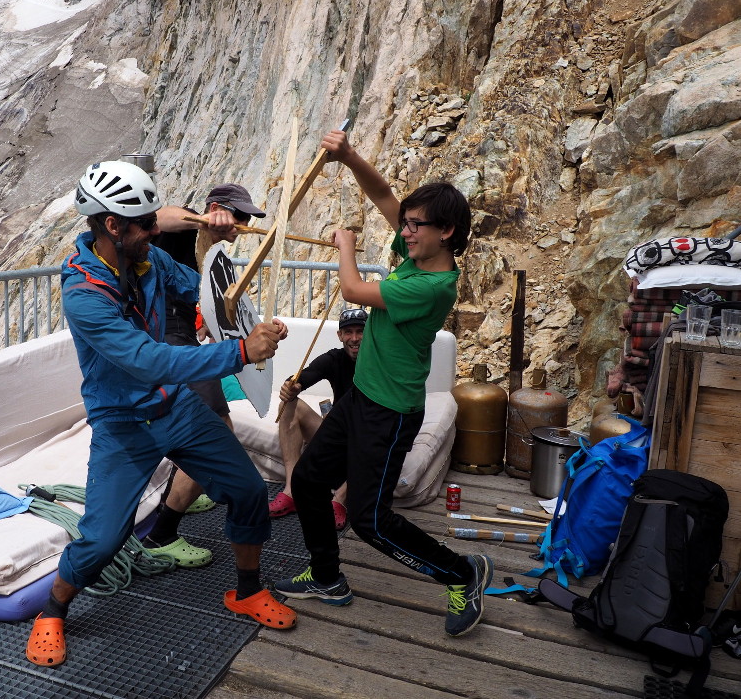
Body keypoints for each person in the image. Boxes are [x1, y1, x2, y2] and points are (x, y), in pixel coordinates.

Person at [26, 161, 297, 667]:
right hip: (123, 425)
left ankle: (245, 589)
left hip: (176, 409)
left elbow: (202, 289)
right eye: (144, 223)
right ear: (113, 226)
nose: (153, 230)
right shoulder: (84, 295)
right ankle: (53, 609)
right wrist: (242, 354)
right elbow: (150, 361)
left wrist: (209, 237)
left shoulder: (148, 260)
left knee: (246, 492)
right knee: (103, 540)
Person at [273, 130, 492, 638]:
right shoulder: (418, 255)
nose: (407, 230)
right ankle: (327, 574)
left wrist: (346, 246)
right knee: (307, 480)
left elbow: (352, 288)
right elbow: (382, 196)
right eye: (408, 224)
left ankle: (462, 572)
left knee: (369, 520)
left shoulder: (430, 284)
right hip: (360, 399)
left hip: (390, 413)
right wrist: (349, 156)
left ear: (448, 232)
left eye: (417, 226)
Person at [138, 185, 266, 569]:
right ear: (216, 210)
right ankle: (162, 535)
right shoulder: (186, 226)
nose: (241, 226)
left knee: (208, 431)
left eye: (245, 220)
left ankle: (187, 492)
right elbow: (159, 217)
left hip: (183, 338)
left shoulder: (212, 252)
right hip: (170, 341)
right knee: (216, 435)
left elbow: (207, 298)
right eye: (237, 217)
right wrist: (204, 220)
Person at [269, 308, 367, 530]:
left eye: (360, 332)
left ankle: (340, 499)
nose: (354, 339)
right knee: (289, 403)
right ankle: (292, 490)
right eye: (348, 332)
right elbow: (306, 374)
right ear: (340, 336)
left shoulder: (380, 363)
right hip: (335, 437)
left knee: (376, 435)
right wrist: (291, 387)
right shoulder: (334, 358)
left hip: (365, 441)